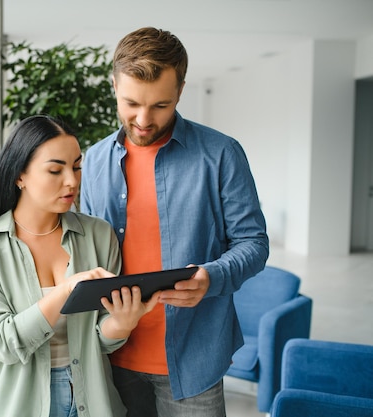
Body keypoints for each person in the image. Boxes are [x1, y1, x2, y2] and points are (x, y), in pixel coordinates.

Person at [80, 27, 270, 417]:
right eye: (131, 103)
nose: (144, 119)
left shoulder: (221, 154)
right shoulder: (93, 161)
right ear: (113, 84)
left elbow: (254, 242)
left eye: (160, 105)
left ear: (181, 91)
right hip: (111, 357)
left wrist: (211, 277)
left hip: (193, 359)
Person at [0, 115, 161, 417]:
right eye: (55, 170)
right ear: (19, 175)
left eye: (76, 166)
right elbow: (3, 344)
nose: (72, 181)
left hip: (95, 402)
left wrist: (123, 322)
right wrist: (67, 291)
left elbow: (98, 340)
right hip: (19, 406)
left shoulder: (99, 235)